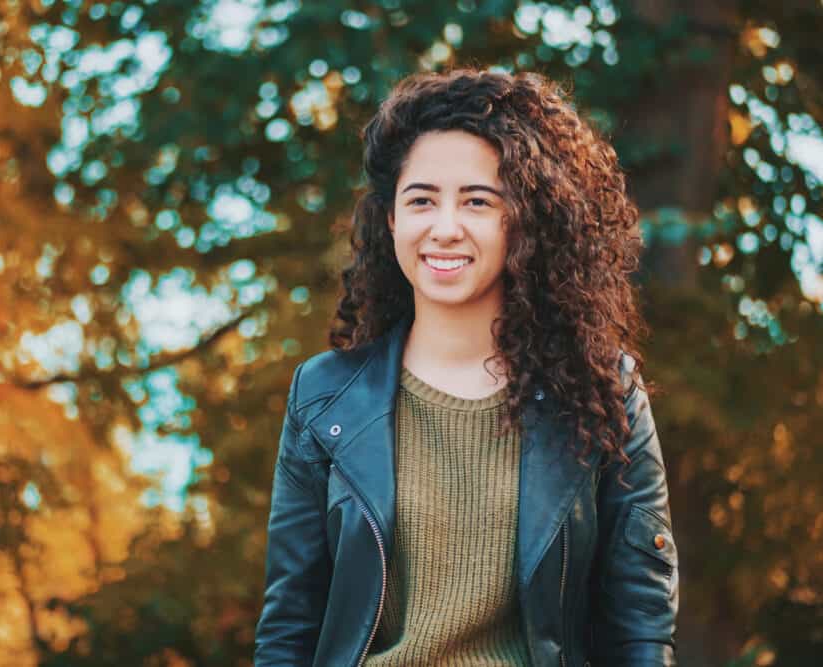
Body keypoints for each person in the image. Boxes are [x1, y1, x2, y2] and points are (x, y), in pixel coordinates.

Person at [254, 67, 679, 667]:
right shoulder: (323, 398)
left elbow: (641, 629)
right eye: (422, 199)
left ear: (525, 221)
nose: (444, 227)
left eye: (478, 201)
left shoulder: (604, 393)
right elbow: (289, 629)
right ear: (393, 220)